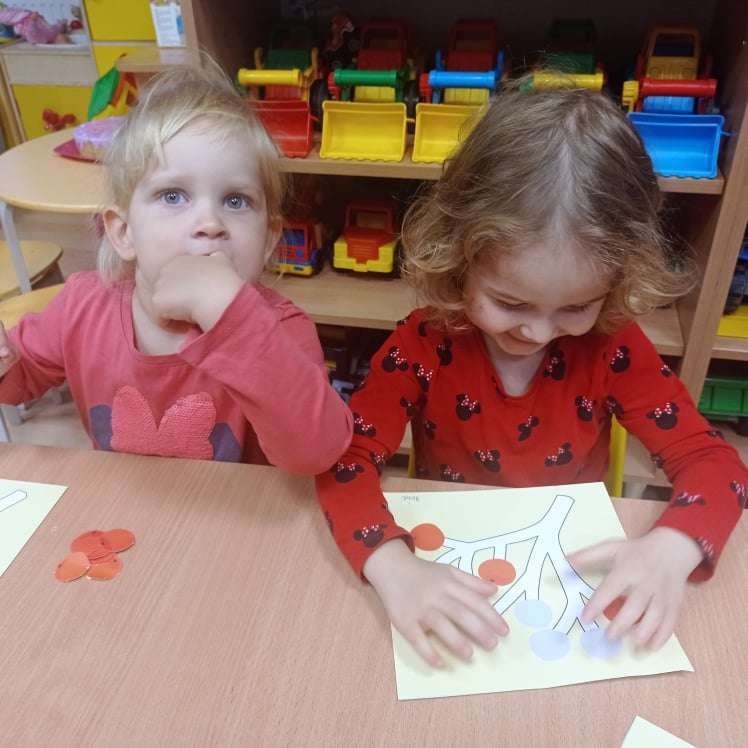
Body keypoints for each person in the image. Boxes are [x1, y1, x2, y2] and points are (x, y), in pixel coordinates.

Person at [315, 83, 747, 667]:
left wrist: (672, 548)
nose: (539, 332)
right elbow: (346, 459)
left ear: (616, 281)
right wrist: (392, 566)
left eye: (575, 307)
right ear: (459, 255)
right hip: (454, 561)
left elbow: (715, 462)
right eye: (510, 303)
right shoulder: (423, 343)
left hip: (567, 563)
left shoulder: (612, 347)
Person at [0, 64, 352, 472]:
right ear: (123, 232)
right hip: (123, 504)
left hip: (236, 510)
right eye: (173, 196)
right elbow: (22, 376)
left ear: (269, 239)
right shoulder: (82, 305)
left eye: (236, 201)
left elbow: (318, 452)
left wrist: (233, 319)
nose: (210, 223)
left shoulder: (282, 329)